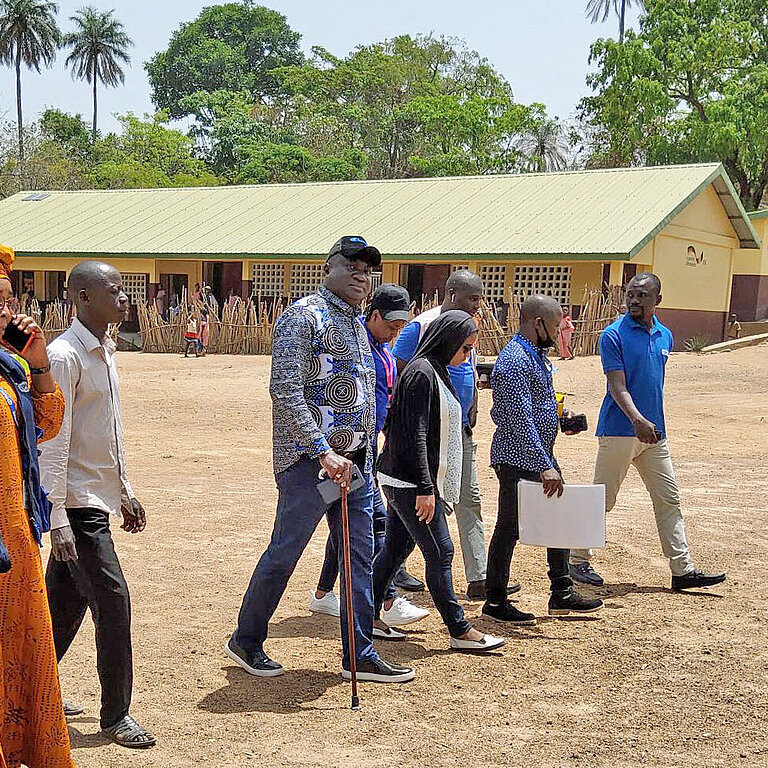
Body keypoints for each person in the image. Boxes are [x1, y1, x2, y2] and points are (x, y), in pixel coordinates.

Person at [226, 235, 414, 684]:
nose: (359, 275)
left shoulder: (355, 324)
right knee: (286, 552)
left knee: (360, 557)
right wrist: (323, 451)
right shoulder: (303, 316)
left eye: (367, 269)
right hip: (310, 464)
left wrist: (361, 452)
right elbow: (285, 390)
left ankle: (359, 652)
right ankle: (247, 638)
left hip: (357, 466)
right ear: (328, 266)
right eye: (350, 265)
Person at [40, 261, 156, 749]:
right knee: (113, 603)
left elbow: (108, 434)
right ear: (82, 298)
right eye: (115, 290)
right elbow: (54, 441)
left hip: (95, 499)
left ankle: (27, 688)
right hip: (76, 508)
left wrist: (123, 491)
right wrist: (58, 517)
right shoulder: (64, 356)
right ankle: (116, 715)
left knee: (58, 611)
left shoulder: (104, 350)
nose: (124, 297)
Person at [569, 273, 727, 590]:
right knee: (603, 499)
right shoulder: (613, 335)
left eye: (642, 296)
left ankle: (682, 571)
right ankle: (576, 561)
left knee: (669, 499)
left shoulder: (665, 335)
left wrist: (650, 424)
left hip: (655, 435)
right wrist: (637, 420)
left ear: (658, 300)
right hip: (619, 431)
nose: (635, 301)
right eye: (631, 294)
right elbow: (617, 386)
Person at [375, 310, 505, 652]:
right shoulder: (421, 374)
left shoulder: (437, 370)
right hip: (408, 482)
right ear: (447, 341)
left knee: (395, 550)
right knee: (441, 551)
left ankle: (367, 616)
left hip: (407, 479)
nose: (466, 356)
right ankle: (459, 629)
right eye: (464, 349)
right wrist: (425, 488)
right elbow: (416, 434)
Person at [310, 284, 429, 633]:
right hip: (344, 453)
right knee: (370, 523)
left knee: (348, 525)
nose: (395, 331)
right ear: (373, 314)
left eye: (400, 326)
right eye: (390, 323)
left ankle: (324, 594)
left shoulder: (384, 352)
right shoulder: (357, 348)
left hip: (369, 450)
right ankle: (385, 602)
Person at [483, 295, 604, 624]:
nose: (558, 331)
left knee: (559, 518)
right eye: (554, 326)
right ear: (538, 324)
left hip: (537, 454)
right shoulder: (514, 362)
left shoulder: (534, 356)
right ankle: (495, 601)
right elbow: (517, 419)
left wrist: (562, 422)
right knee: (509, 528)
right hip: (517, 457)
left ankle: (561, 592)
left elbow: (536, 409)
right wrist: (544, 464)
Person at [0, 249, 75, 768]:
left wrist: (39, 361)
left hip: (16, 539)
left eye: (7, 301)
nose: (6, 312)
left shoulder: (10, 368)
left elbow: (47, 424)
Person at [392, 270, 506, 600]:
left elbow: (467, 368)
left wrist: (472, 405)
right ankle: (392, 568)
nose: (479, 305)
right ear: (452, 293)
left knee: (470, 500)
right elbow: (402, 371)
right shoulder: (421, 326)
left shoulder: (469, 324)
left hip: (462, 430)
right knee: (425, 505)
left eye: (481, 298)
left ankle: (479, 577)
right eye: (473, 298)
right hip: (430, 434)